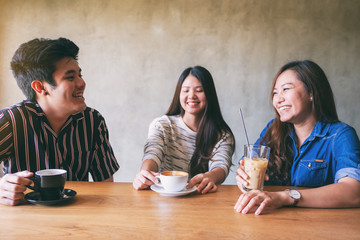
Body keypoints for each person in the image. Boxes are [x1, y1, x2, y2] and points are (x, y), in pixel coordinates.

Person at [0, 38, 120, 206]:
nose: (82, 83)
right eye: (70, 78)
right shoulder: (10, 121)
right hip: (25, 223)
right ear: (40, 87)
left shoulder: (93, 121)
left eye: (80, 75)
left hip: (78, 222)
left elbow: (107, 186)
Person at [234, 60, 360, 215]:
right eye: (275, 93)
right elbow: (248, 162)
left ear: (312, 93)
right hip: (268, 220)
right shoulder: (273, 129)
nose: (278, 100)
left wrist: (286, 197)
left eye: (285, 89)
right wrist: (242, 176)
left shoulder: (341, 135)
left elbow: (353, 191)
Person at [133, 66, 235, 194]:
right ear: (179, 94)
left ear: (209, 94)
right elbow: (152, 153)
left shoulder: (222, 135)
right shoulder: (162, 125)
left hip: (201, 198)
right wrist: (145, 174)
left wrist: (210, 177)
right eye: (186, 90)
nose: (191, 96)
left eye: (199, 90)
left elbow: (221, 166)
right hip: (165, 200)